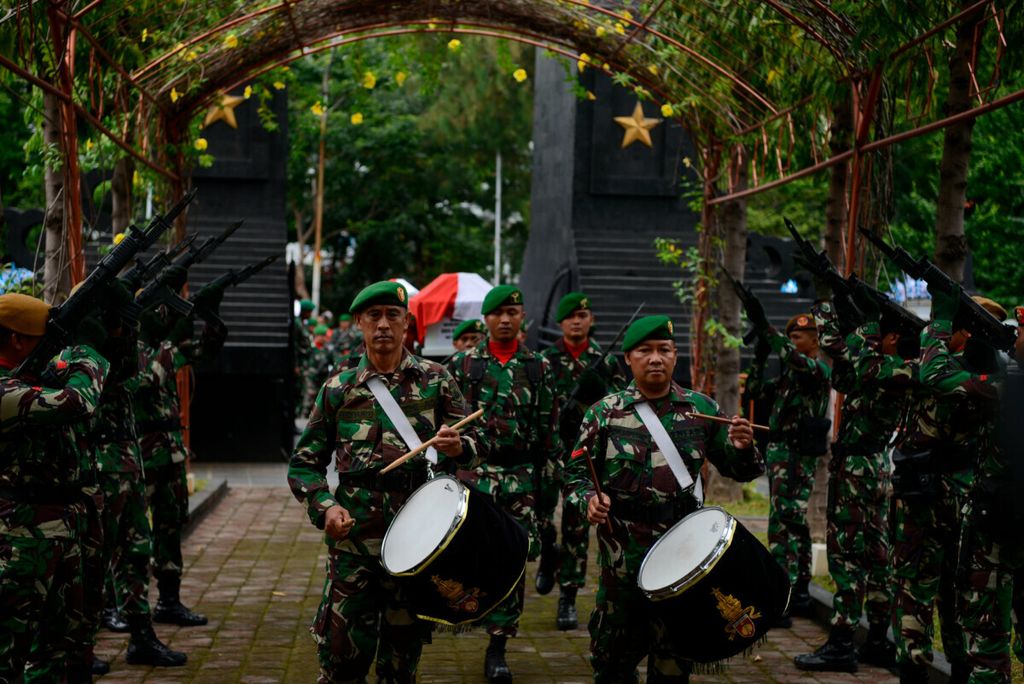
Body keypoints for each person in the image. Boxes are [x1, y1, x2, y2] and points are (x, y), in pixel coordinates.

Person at [288, 281, 481, 684]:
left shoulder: (436, 380)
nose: (383, 325)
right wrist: (325, 508)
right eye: (373, 316)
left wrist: (459, 447)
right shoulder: (339, 388)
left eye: (393, 315)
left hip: (417, 541)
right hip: (354, 542)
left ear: (407, 323)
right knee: (342, 658)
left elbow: (479, 446)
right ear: (359, 323)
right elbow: (304, 464)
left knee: (400, 661)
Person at [562, 314, 763, 683]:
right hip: (622, 557)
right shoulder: (604, 413)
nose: (655, 358)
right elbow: (575, 476)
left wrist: (744, 448)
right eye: (645, 351)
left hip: (683, 555)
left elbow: (742, 471)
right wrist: (588, 500)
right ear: (628, 358)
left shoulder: (701, 411)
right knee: (612, 661)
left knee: (674, 659)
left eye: (664, 350)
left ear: (675, 356)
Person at [794, 295, 917, 673]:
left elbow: (839, 349)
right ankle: (877, 639)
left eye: (882, 333)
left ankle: (843, 641)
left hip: (859, 471)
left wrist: (831, 310)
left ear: (894, 338)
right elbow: (843, 375)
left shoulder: (890, 367)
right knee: (877, 555)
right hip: (870, 466)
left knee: (847, 554)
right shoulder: (884, 368)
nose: (874, 337)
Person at [891, 294, 1007, 684]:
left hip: (935, 496)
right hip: (954, 494)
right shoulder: (975, 375)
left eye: (963, 327)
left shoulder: (975, 379)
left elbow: (931, 375)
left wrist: (935, 323)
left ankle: (920, 663)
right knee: (949, 586)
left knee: (922, 582)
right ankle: (952, 664)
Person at [448, 285, 560, 683]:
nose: (507, 319)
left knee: (513, 559)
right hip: (475, 477)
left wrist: (550, 487)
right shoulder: (462, 366)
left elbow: (549, 432)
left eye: (514, 311)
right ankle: (466, 611)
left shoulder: (539, 367)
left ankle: (498, 645)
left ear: (522, 317)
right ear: (487, 320)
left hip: (521, 478)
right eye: (499, 313)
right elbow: (445, 427)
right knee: (475, 555)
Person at [0, 293, 110, 683]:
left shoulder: (30, 378)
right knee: (8, 655)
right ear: (16, 340)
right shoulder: (4, 392)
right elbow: (77, 401)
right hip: (18, 543)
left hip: (62, 532)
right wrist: (87, 352)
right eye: (43, 338)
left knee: (60, 651)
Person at [919, 291, 1019, 684]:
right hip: (1005, 516)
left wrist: (940, 323)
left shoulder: (1005, 386)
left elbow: (935, 376)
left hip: (998, 525)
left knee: (989, 637)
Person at [129, 269, 228, 629]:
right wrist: (171, 339)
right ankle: (124, 605)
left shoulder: (162, 344)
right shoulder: (133, 345)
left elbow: (204, 351)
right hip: (142, 454)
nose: (167, 315)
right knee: (136, 536)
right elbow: (147, 380)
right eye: (163, 308)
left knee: (171, 527)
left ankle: (169, 600)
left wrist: (210, 314)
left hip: (169, 452)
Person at [538, 292, 627, 629]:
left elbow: (621, 404)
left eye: (583, 315)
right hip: (550, 450)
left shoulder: (604, 361)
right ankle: (548, 554)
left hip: (586, 453)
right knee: (542, 519)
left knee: (576, 524)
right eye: (571, 316)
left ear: (590, 320)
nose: (577, 321)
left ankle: (568, 596)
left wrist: (600, 386)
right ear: (561, 323)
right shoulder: (545, 359)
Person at [745, 312, 831, 620]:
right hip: (781, 453)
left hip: (797, 455)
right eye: (790, 336)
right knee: (781, 523)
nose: (792, 343)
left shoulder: (816, 370)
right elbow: (754, 389)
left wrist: (770, 332)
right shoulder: (787, 376)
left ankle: (792, 591)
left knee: (789, 523)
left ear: (814, 341)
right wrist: (760, 354)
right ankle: (790, 590)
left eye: (798, 338)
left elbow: (795, 360)